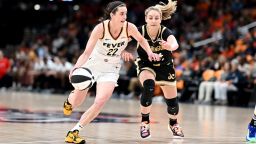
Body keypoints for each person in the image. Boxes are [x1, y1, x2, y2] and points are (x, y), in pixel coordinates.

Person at [62, 1, 160, 144]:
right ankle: (69, 102)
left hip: (111, 67)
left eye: (126, 13)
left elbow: (141, 39)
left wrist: (150, 52)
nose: (125, 16)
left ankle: (74, 131)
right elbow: (86, 52)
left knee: (100, 101)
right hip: (93, 63)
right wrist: (75, 67)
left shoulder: (129, 27)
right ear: (112, 14)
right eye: (121, 13)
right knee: (77, 100)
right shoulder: (100, 28)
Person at [131, 0, 184, 139]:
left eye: (156, 18)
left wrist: (170, 47)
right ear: (145, 19)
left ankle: (173, 123)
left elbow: (175, 43)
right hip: (146, 64)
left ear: (161, 19)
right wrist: (123, 51)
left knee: (172, 103)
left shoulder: (165, 31)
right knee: (149, 87)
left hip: (165, 67)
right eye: (150, 18)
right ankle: (144, 122)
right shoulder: (139, 31)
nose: (153, 20)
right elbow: (123, 41)